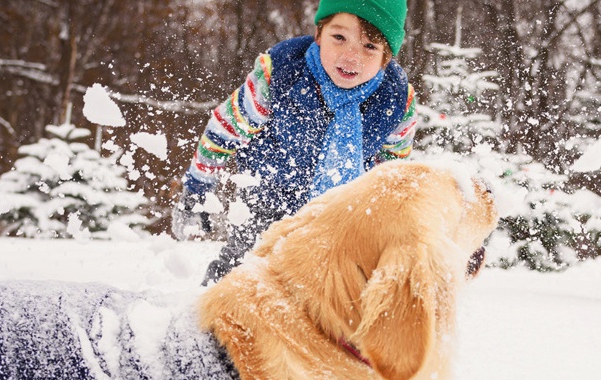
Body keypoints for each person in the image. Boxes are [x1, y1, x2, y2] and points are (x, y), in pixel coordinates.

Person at [172, 0, 417, 285]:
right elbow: (223, 130)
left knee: (336, 281)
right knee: (247, 268)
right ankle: (216, 306)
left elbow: (393, 170)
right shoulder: (280, 75)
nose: (351, 56)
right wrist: (197, 189)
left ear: (386, 57)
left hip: (342, 208)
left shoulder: (396, 101)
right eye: (339, 38)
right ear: (319, 34)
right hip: (268, 196)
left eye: (369, 47)